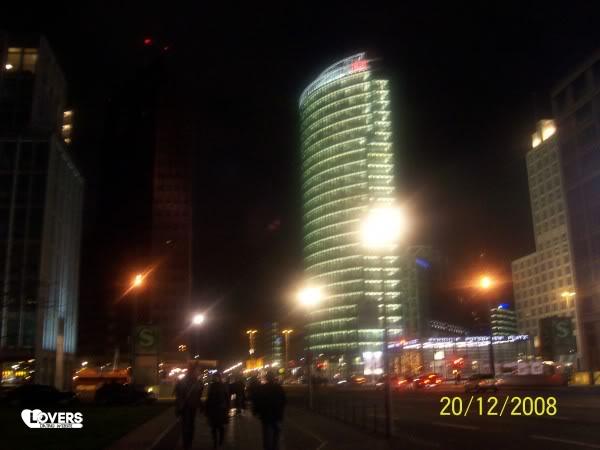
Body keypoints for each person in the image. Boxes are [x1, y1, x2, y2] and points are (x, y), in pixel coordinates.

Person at [174, 363, 203, 450]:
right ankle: (187, 443)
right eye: (197, 371)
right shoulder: (194, 382)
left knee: (188, 425)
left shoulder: (195, 382)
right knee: (188, 425)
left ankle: (187, 443)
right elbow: (180, 395)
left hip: (189, 406)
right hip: (187, 406)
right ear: (193, 371)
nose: (198, 372)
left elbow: (198, 395)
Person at [254, 371, 286, 450]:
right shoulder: (278, 387)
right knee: (276, 431)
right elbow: (284, 400)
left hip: (265, 414)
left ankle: (267, 447)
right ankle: (275, 447)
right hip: (276, 414)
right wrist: (281, 410)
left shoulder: (262, 388)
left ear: (267, 378)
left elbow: (258, 401)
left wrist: (256, 411)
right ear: (273, 378)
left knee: (266, 433)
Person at [205, 373, 229, 448]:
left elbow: (226, 398)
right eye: (214, 377)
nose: (215, 378)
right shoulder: (213, 386)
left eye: (216, 377)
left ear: (219, 378)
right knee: (214, 427)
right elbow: (208, 398)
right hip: (215, 409)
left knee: (219, 426)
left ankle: (220, 441)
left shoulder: (222, 386)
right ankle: (216, 442)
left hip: (219, 409)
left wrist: (227, 408)